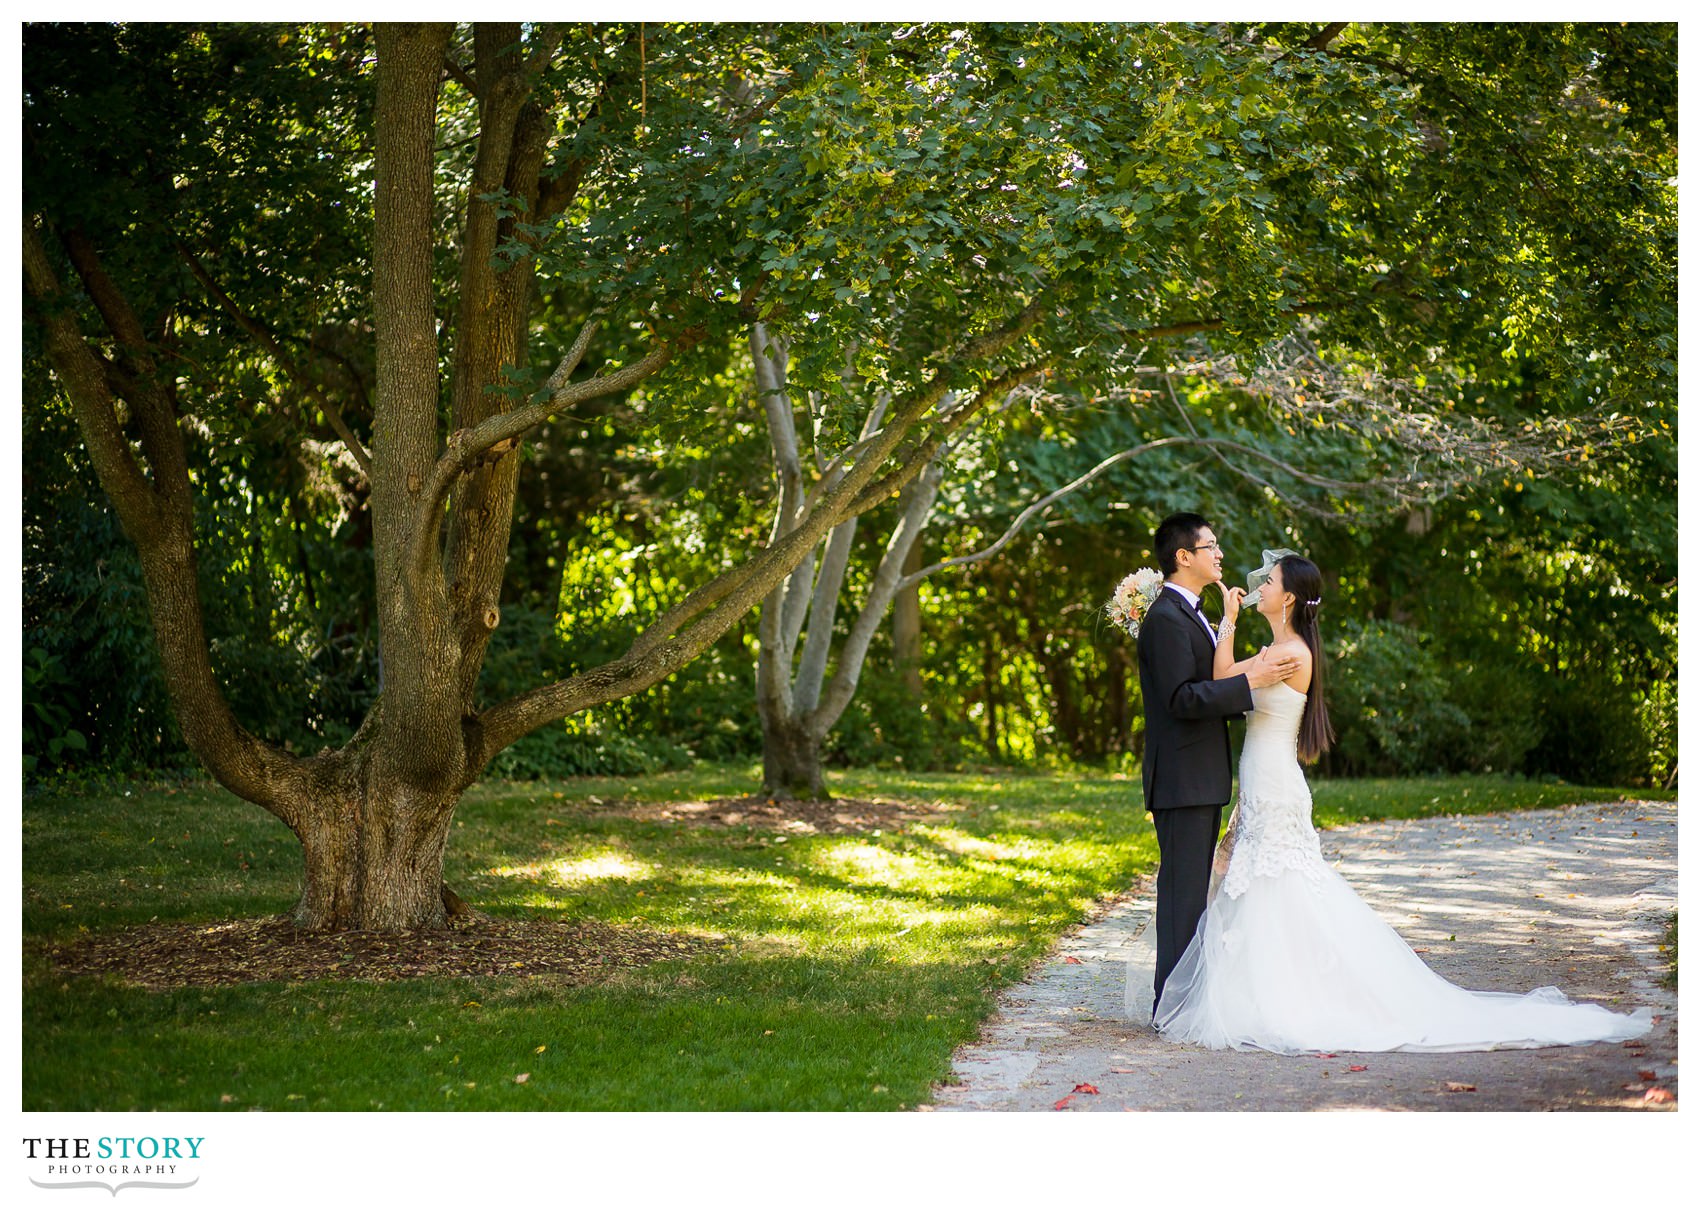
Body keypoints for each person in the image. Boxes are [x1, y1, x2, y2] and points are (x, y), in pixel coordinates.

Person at [1153, 552, 1654, 1052]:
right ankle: (1266, 990)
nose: (1258, 585)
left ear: (1287, 598)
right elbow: (1225, 678)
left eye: (1269, 582)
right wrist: (1230, 621)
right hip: (1263, 779)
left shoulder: (1291, 655)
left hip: (1275, 783)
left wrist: (1232, 635)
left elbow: (1222, 684)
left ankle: (1291, 996)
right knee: (1266, 887)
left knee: (1279, 887)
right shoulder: (1277, 647)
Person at [1137, 513, 1299, 1021]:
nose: (1220, 554)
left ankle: (1183, 1001)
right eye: (1211, 546)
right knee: (1183, 895)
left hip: (1199, 779)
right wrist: (1252, 683)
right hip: (1182, 781)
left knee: (1193, 895)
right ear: (1183, 556)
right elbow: (1181, 699)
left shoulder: (1190, 613)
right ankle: (1172, 1007)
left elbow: (1212, 683)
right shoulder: (1164, 618)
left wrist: (1252, 672)